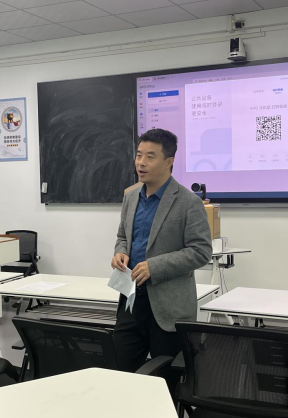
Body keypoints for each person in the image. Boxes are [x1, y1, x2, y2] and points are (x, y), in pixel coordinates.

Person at [111, 128, 212, 373]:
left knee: (165, 378)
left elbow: (200, 251)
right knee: (122, 372)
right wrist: (120, 252)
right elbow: (123, 236)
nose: (141, 163)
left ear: (169, 161)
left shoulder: (188, 203)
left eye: (150, 156)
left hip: (169, 308)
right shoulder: (131, 197)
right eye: (138, 155)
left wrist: (155, 267)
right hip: (131, 300)